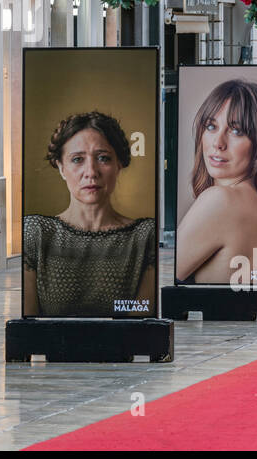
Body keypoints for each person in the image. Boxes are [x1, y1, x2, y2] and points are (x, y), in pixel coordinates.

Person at [24, 112, 157, 316]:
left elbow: (141, 316)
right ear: (61, 168)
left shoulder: (144, 236)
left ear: (118, 164)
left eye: (103, 158)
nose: (91, 171)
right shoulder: (36, 232)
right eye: (77, 159)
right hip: (55, 347)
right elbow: (28, 328)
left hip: (120, 347)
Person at [177, 80, 257, 283]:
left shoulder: (221, 200)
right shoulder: (254, 201)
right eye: (211, 126)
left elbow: (152, 281)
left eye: (237, 131)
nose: (218, 143)